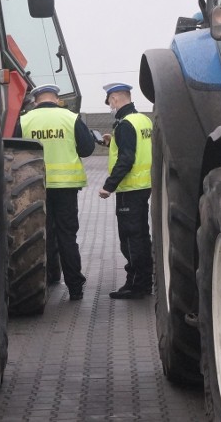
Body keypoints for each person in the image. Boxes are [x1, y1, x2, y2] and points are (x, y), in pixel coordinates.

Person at [14, 83, 96, 301]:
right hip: (66, 188)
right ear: (56, 98)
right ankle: (75, 288)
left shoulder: (24, 120)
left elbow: (13, 152)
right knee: (67, 235)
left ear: (36, 99)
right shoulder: (70, 118)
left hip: (33, 187)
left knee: (41, 233)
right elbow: (88, 149)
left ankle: (49, 277)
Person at [98, 83, 154, 299]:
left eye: (110, 101)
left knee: (130, 239)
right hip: (143, 186)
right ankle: (143, 281)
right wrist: (112, 143)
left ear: (115, 99)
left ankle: (137, 285)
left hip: (129, 188)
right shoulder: (142, 120)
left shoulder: (124, 124)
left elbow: (127, 159)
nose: (110, 106)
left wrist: (108, 186)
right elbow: (138, 148)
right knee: (141, 235)